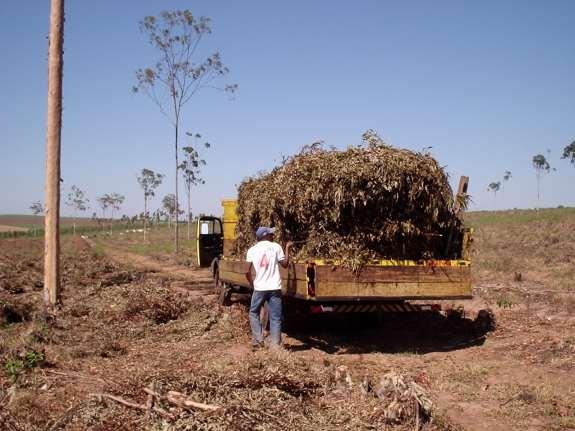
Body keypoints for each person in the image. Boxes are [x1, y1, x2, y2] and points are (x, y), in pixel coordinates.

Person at [245, 226, 291, 350]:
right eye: (270, 234)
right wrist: (287, 248)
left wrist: (252, 284)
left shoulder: (251, 250)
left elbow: (246, 271)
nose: (272, 236)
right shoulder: (276, 247)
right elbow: (285, 264)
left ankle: (259, 341)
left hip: (259, 288)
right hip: (275, 288)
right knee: (275, 317)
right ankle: (275, 346)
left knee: (253, 313)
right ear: (265, 236)